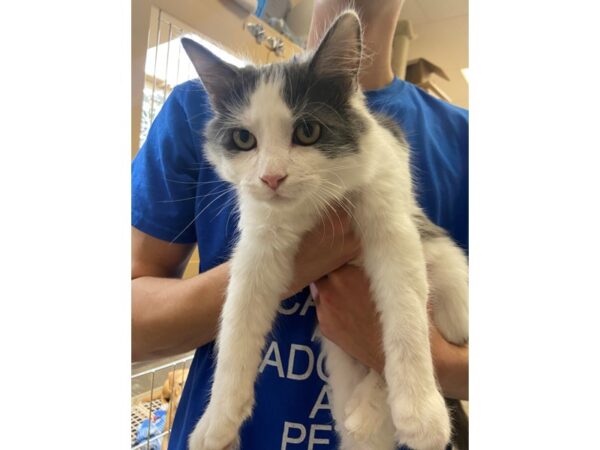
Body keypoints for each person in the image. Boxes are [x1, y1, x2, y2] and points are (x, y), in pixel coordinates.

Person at [132, 0, 468, 448]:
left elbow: (404, 261)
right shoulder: (186, 107)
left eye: (304, 133)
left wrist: (426, 368)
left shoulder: (464, 140)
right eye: (244, 140)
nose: (271, 174)